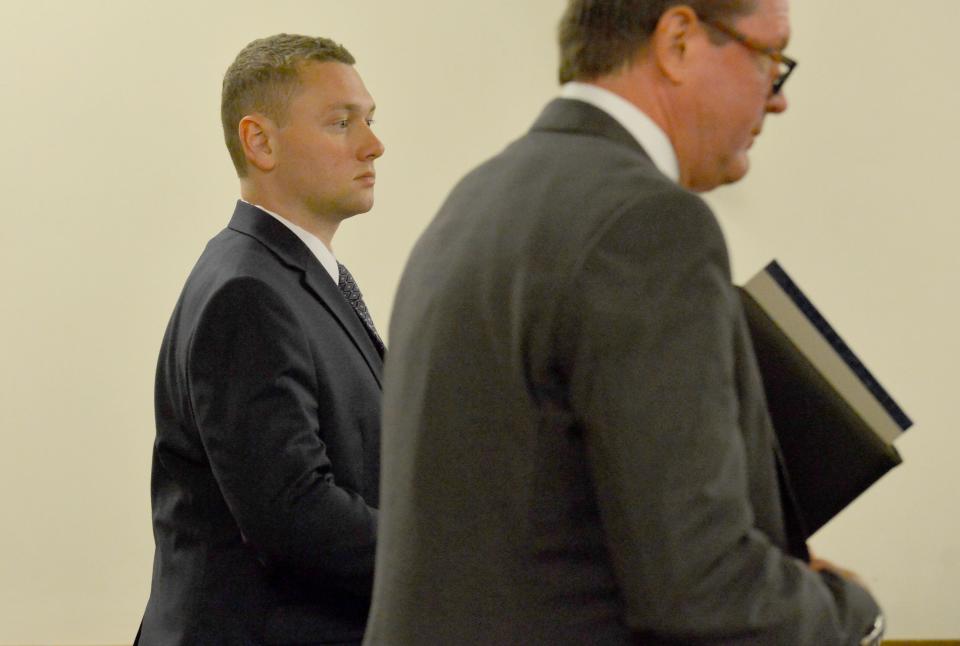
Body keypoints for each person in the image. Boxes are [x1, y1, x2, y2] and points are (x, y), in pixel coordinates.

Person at [365, 1, 884, 644]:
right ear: (679, 41)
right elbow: (699, 589)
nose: (776, 101)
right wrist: (851, 611)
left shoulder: (479, 197)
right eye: (771, 60)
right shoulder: (649, 223)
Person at [136, 34, 386, 645]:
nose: (373, 145)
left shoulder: (288, 278)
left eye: (370, 120)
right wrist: (441, 554)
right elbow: (294, 512)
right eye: (340, 122)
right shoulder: (247, 293)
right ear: (260, 141)